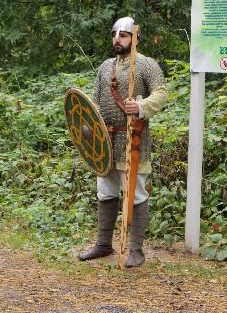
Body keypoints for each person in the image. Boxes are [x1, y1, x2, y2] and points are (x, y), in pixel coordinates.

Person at [78, 17, 167, 268]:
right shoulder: (106, 67)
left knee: (135, 194)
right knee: (105, 191)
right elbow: (93, 103)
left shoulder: (146, 65)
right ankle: (103, 244)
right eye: (115, 34)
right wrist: (89, 128)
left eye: (124, 34)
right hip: (106, 142)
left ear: (134, 38)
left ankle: (136, 250)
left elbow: (161, 94)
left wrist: (139, 106)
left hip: (133, 139)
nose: (118, 38)